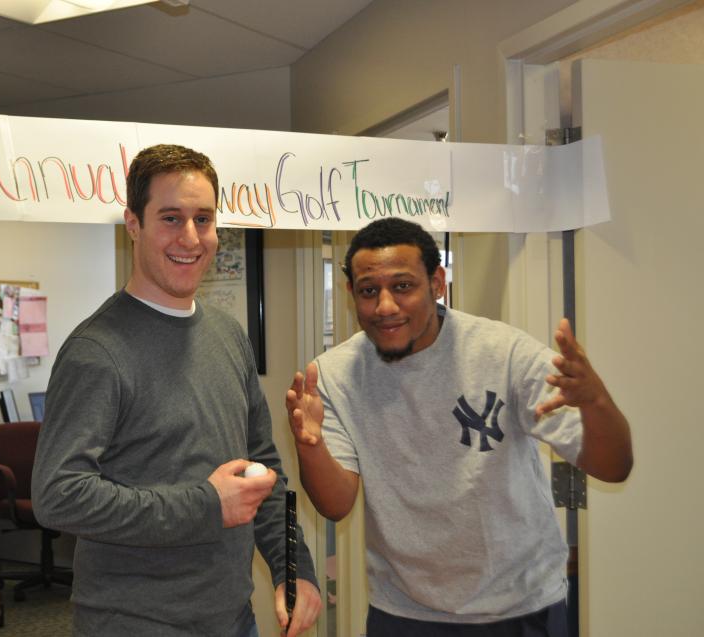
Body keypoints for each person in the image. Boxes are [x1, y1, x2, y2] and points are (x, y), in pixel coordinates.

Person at [286, 218, 632, 636]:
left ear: (437, 283)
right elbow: (336, 504)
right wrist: (310, 446)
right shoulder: (335, 375)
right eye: (368, 291)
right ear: (351, 294)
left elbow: (615, 466)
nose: (385, 307)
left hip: (521, 608)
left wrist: (597, 403)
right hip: (404, 613)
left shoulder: (504, 354)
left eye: (402, 286)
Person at [33, 144, 321, 637]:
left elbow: (265, 471)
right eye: (170, 218)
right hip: (134, 623)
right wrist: (207, 506)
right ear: (133, 223)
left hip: (231, 619)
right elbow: (57, 496)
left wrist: (294, 569)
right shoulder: (96, 352)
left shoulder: (228, 337)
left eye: (203, 219)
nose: (190, 237)